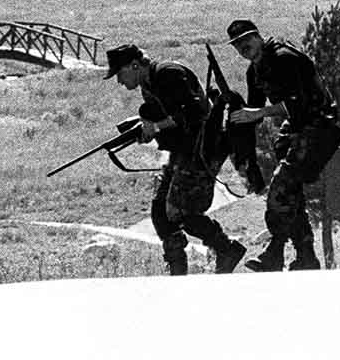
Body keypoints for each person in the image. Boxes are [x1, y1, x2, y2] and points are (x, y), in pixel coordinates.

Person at [105, 43, 246, 277]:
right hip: (184, 151)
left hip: (202, 148)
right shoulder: (149, 83)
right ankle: (177, 272)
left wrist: (155, 126)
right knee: (161, 212)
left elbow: (195, 113)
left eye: (120, 73)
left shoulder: (167, 74)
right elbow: (165, 117)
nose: (119, 81)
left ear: (135, 65)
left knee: (182, 213)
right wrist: (145, 128)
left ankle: (227, 249)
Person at [225, 18, 340, 271]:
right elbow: (253, 110)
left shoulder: (283, 58)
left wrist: (256, 113)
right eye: (237, 45)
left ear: (257, 36)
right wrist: (233, 113)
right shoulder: (254, 70)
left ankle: (275, 251)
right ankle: (305, 256)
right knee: (290, 194)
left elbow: (298, 103)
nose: (243, 47)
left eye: (246, 40)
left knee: (280, 190)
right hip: (298, 128)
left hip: (320, 125)